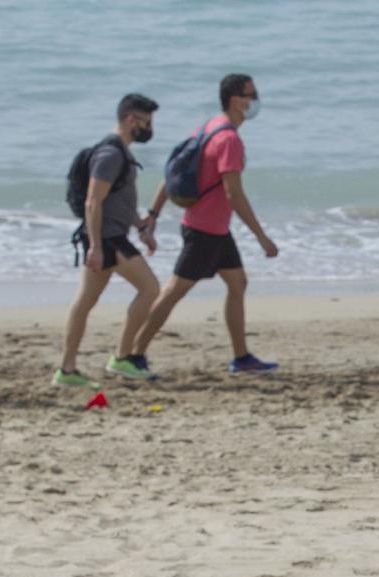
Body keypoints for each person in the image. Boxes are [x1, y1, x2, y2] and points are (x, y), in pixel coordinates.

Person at [128, 73, 279, 375]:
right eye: (251, 94)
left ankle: (241, 358)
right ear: (236, 100)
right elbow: (233, 194)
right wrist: (262, 237)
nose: (256, 100)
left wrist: (154, 214)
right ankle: (132, 355)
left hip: (214, 230)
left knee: (238, 283)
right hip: (204, 232)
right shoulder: (229, 140)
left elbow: (172, 174)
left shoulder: (210, 126)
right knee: (173, 292)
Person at [54, 93, 163, 389]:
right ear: (130, 120)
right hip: (107, 239)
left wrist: (141, 226)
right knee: (150, 288)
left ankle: (67, 370)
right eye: (146, 122)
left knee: (84, 302)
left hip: (109, 236)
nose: (149, 129)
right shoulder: (111, 154)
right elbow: (93, 201)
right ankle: (122, 357)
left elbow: (120, 202)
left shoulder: (121, 153)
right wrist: (97, 246)